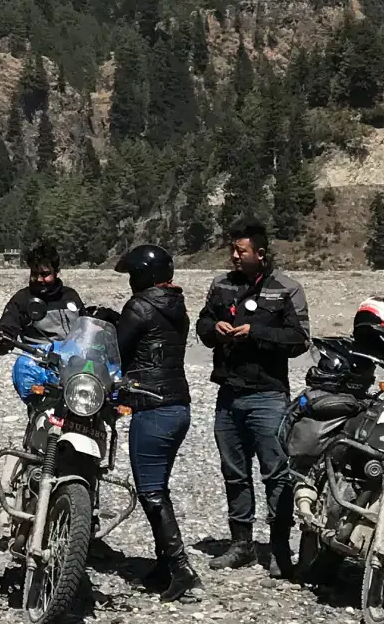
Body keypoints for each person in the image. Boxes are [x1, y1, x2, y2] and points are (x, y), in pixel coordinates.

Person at [195, 222, 309, 575]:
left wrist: (255, 332)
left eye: (241, 251)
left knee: (276, 474)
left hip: (269, 395)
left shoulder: (286, 289)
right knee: (234, 472)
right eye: (233, 249)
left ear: (260, 254)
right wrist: (214, 330)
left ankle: (278, 549)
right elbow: (202, 324)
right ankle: (240, 544)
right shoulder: (221, 285)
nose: (234, 256)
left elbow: (299, 338)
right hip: (228, 393)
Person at [113, 244, 200, 601]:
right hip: (178, 405)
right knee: (159, 488)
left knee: (150, 491)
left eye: (134, 275)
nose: (131, 281)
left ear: (145, 276)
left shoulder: (140, 305)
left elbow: (116, 348)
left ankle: (181, 570)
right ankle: (165, 564)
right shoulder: (176, 306)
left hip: (151, 405)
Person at [0, 241, 86, 351]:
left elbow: (86, 327)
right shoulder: (22, 299)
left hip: (75, 360)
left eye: (44, 274)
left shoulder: (71, 295)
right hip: (39, 362)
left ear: (57, 272)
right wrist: (0, 339)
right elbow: (8, 326)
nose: (39, 279)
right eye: (34, 274)